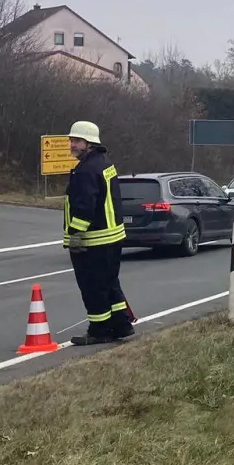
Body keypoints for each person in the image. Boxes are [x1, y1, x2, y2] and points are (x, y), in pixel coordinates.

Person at [63, 120, 134, 345]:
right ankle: (121, 324)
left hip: (93, 241)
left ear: (89, 143)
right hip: (112, 239)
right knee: (109, 283)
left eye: (76, 141)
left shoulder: (86, 170)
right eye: (71, 140)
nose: (72, 145)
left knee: (92, 287)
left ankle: (99, 330)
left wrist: (75, 233)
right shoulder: (104, 164)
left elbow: (85, 206)